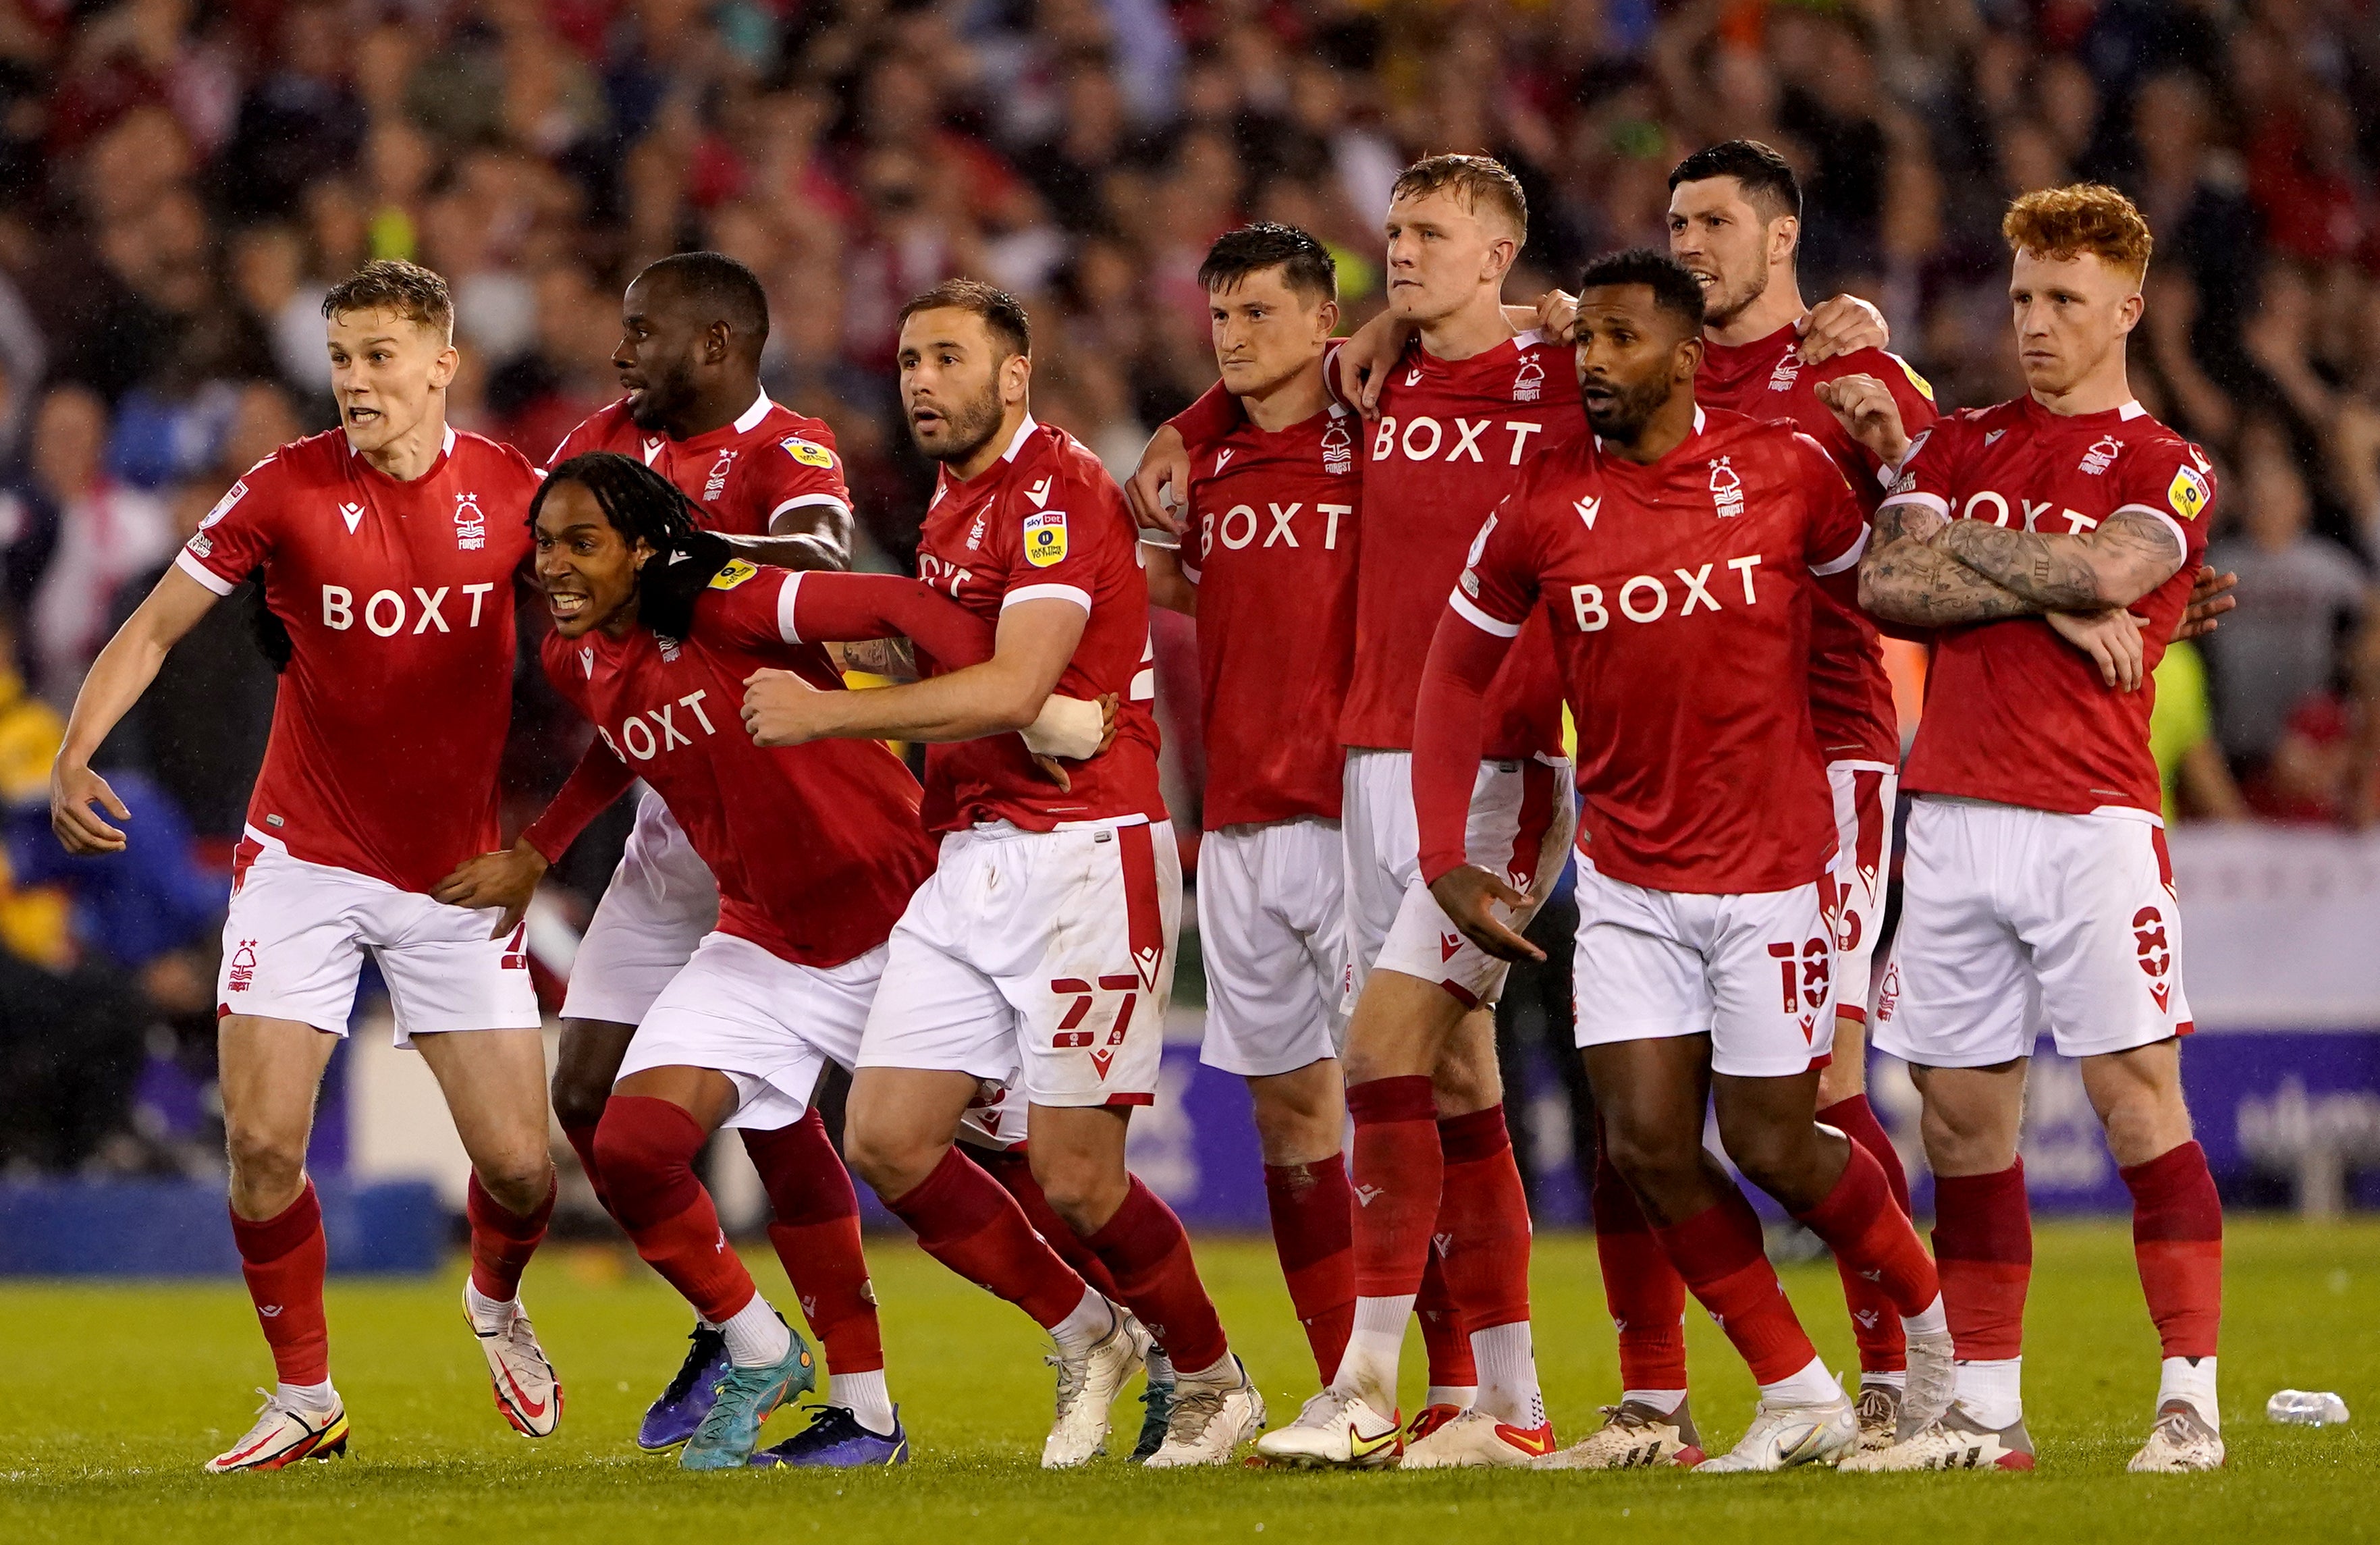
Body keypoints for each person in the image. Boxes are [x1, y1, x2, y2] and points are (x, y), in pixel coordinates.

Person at [1138, 153, 1891, 1471]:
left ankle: (1366, 1379)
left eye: (1426, 232)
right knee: (1445, 1068)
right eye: (1389, 234)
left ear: (1500, 256)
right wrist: (1181, 428)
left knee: (1384, 1048)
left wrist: (1854, 331)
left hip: (1506, 768)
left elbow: (1686, 363)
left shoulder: (1563, 369)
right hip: (1370, 768)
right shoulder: (1371, 378)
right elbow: (1248, 374)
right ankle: (1506, 1401)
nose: (1399, 254)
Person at [434, 453, 1104, 1469]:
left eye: (582, 544)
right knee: (632, 1144)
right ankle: (793, 1367)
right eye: (545, 545)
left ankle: (1147, 1345)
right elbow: (629, 738)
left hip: (904, 925)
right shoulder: (573, 658)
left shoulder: (727, 600)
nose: (555, 567)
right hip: (763, 938)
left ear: (643, 550)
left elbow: (893, 601)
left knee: (1046, 1173)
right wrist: (539, 848)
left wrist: (1022, 703)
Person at [1417, 248, 1953, 1475]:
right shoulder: (1546, 503)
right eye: (1584, 341)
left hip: (1773, 870)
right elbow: (1453, 673)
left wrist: (2081, 609)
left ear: (1686, 356)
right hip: (1625, 880)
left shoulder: (1786, 473)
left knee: (1776, 1140)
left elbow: (1892, 600)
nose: (1592, 361)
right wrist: (1445, 852)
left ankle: (1932, 1330)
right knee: (1645, 1143)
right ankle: (1797, 1387)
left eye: (1618, 339)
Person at [47, 260, 562, 1472]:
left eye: (382, 356)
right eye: (341, 359)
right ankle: (306, 1397)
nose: (356, 382)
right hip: (305, 859)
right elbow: (155, 626)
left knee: (524, 1170)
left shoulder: (516, 493)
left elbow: (620, 616)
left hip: (455, 877)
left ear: (444, 363)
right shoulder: (282, 490)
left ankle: (494, 1299)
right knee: (264, 1141)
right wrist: (76, 746)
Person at [740, 279, 1265, 1467]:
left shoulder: (1056, 490)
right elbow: (940, 642)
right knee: (887, 1136)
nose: (920, 378)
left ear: (1012, 373)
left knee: (1079, 1176)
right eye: (911, 358)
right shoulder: (950, 504)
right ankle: (1089, 1333)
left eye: (947, 357)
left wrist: (824, 714)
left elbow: (1016, 685)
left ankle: (1214, 1377)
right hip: (975, 851)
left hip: (1086, 853)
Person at [1824, 184, 2226, 1475]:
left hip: (2089, 825)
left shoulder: (2167, 458)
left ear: (2127, 306)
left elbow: (2118, 569)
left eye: (2064, 300)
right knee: (1958, 1124)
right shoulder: (1962, 442)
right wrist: (2053, 594)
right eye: (2021, 299)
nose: (2037, 323)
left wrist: (1996, 563)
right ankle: (1987, 1412)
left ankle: (2191, 1397)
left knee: (2133, 1106)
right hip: (1945, 822)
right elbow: (1889, 582)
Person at [533, 250, 868, 1451]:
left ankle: (1119, 1325)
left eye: (642, 332)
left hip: (790, 813)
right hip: (671, 823)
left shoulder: (792, 444)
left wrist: (663, 550)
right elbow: (580, 598)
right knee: (583, 1094)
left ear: (717, 343)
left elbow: (817, 563)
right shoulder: (604, 435)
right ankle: (733, 1326)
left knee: (821, 1117)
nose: (621, 354)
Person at [1137, 223, 1361, 1402]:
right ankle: (1344, 1388)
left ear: (1327, 324)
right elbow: (1153, 577)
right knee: (1291, 1119)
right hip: (1236, 821)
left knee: (1407, 1100)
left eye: (1260, 315)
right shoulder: (1205, 472)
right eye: (1220, 316)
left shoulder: (1378, 438)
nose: (1234, 338)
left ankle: (1469, 1391)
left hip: (1357, 812)